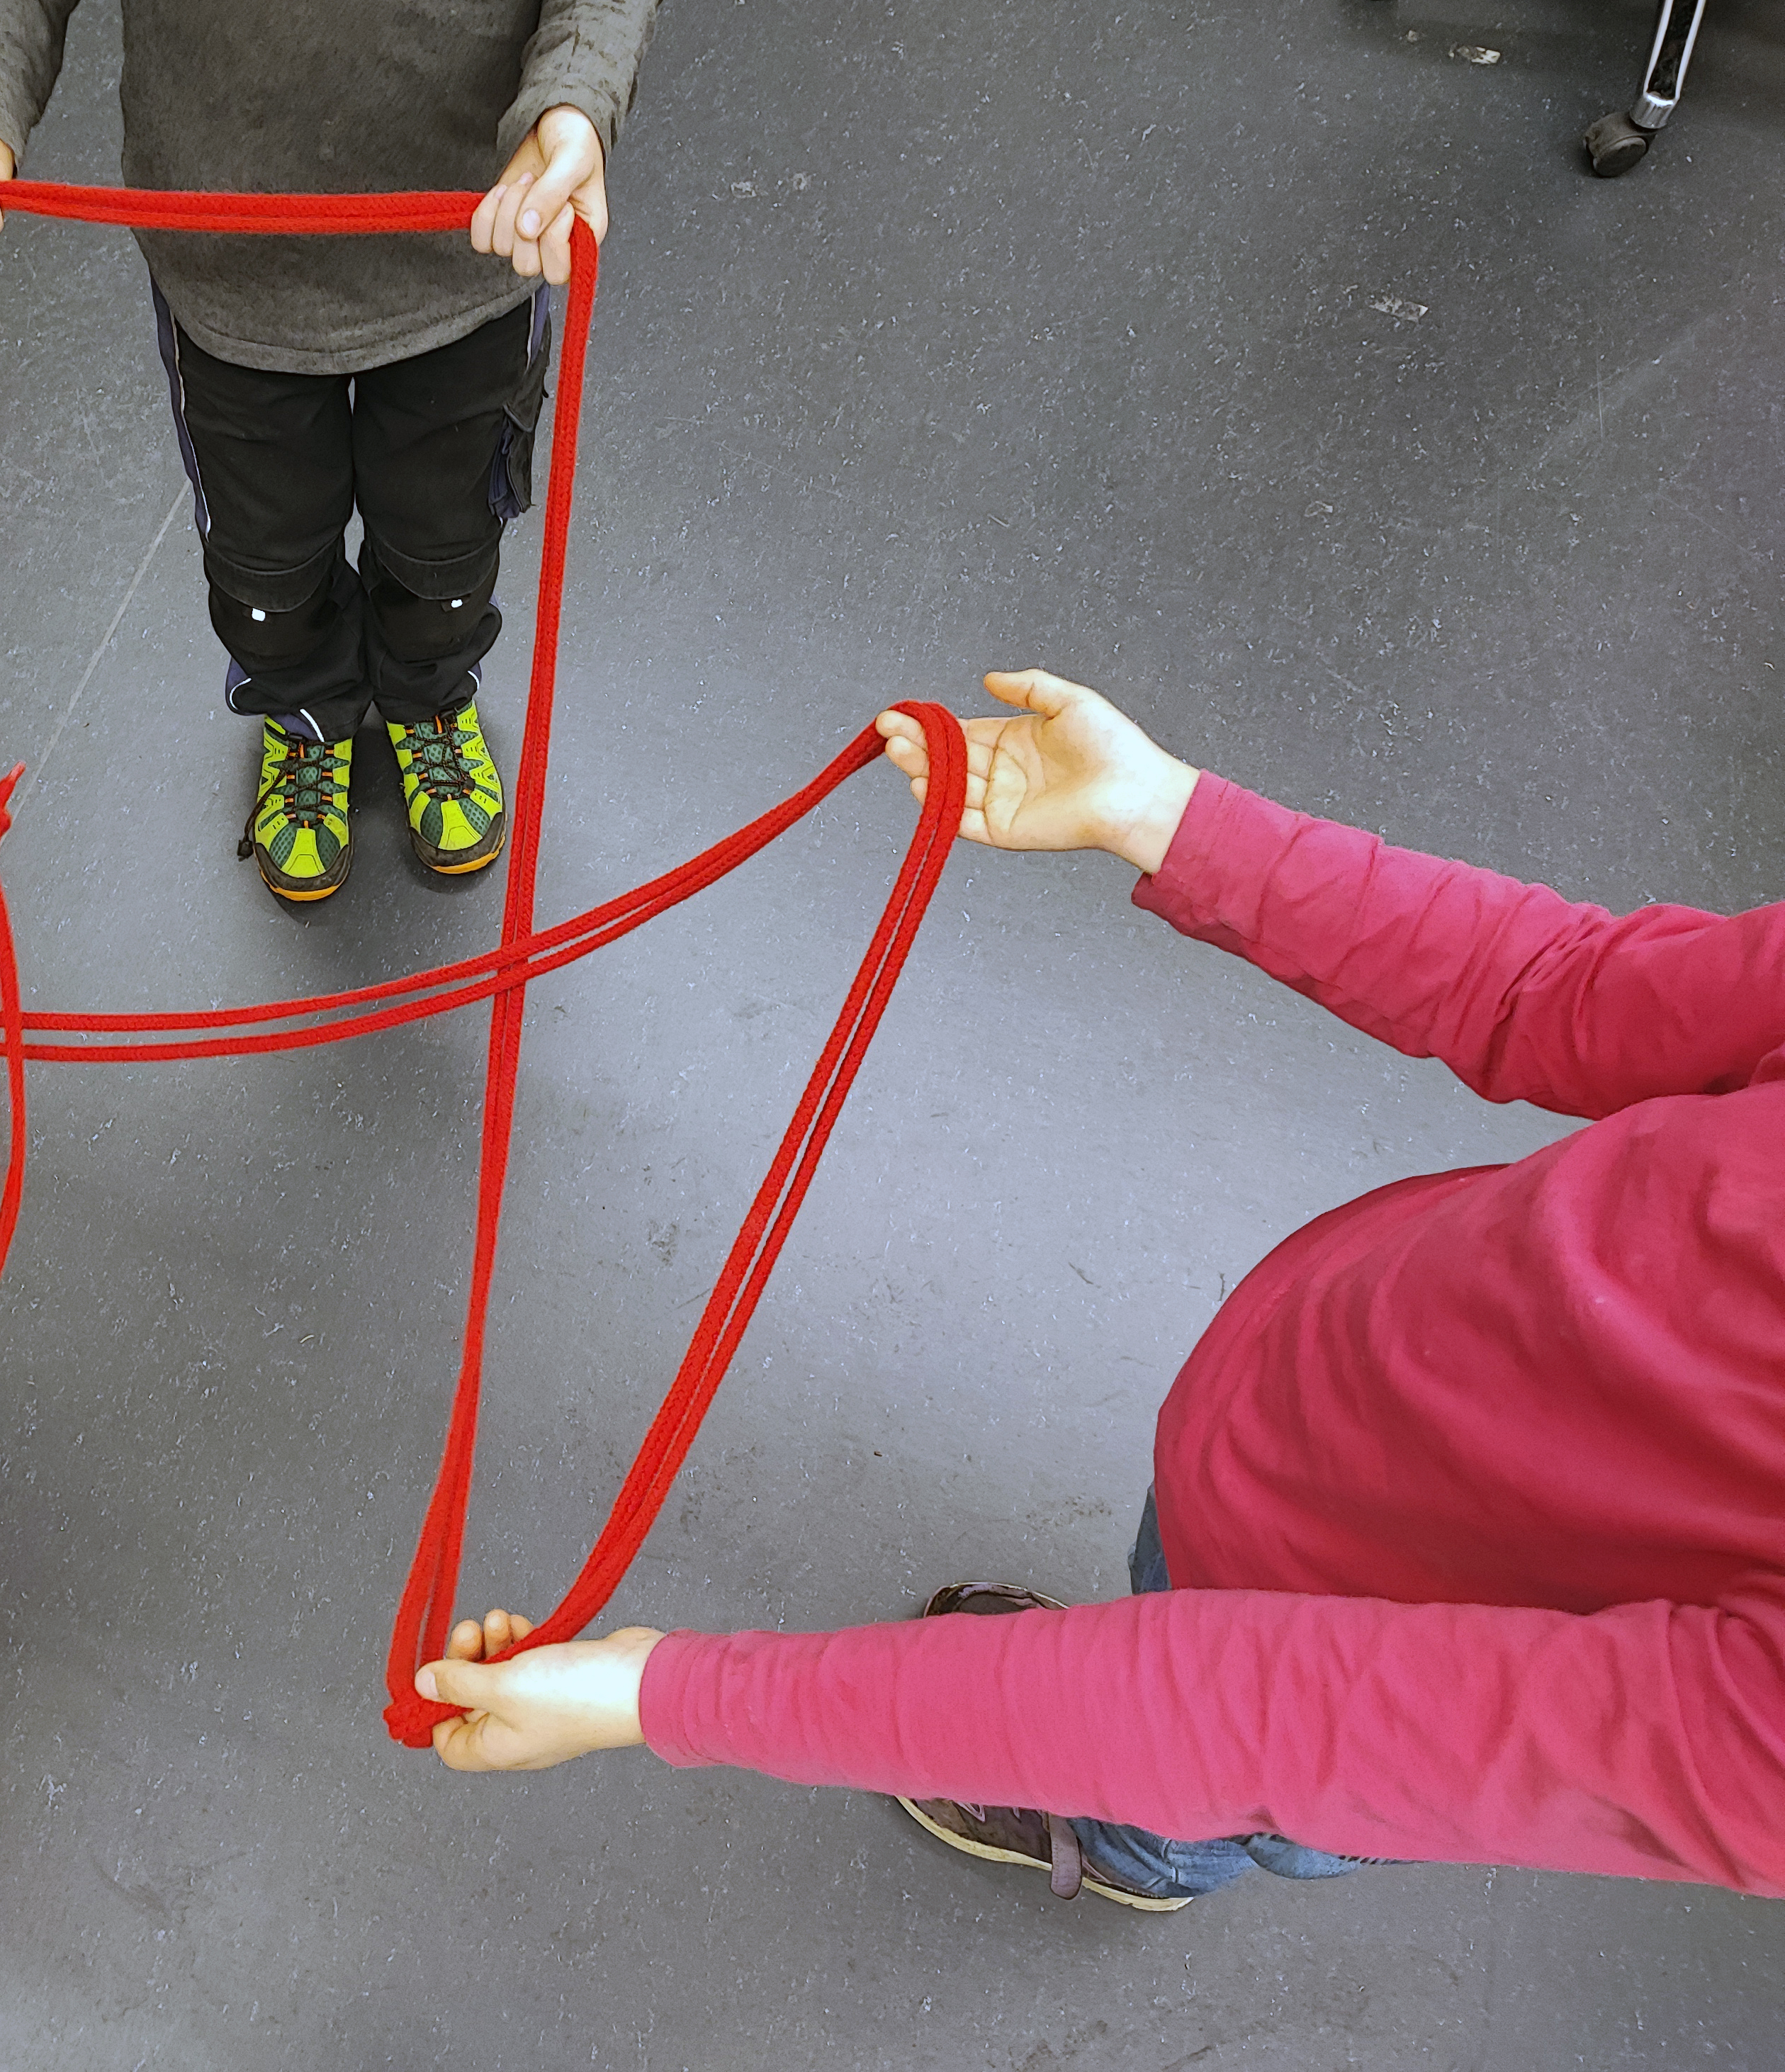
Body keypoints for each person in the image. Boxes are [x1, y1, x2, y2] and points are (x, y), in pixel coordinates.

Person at [405, 670, 1785, 1908]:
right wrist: (1172, 819)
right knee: (1156, 1615)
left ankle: (1133, 1847)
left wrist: (661, 1694)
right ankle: (1089, 1697)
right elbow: (1561, 991)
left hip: (1326, 1675)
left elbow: (1249, 1717)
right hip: (1298, 1402)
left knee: (1190, 1787)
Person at [0, 0, 671, 903]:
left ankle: (427, 695)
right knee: (266, 561)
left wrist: (580, 89)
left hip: (478, 240)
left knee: (448, 541)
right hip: (229, 263)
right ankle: (302, 716)